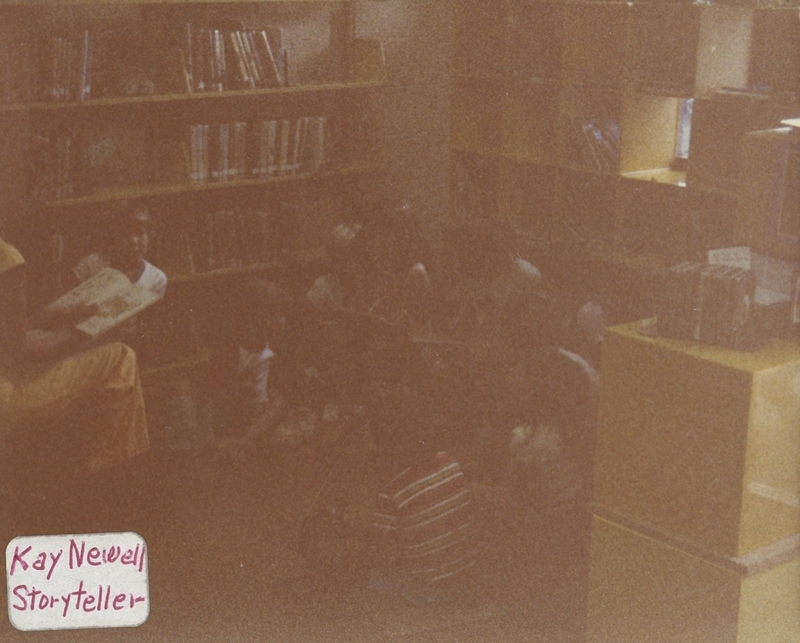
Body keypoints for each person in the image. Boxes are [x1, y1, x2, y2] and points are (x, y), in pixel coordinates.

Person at [0, 233, 150, 476]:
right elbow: (21, 353)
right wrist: (82, 334)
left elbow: (7, 333)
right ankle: (111, 475)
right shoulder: (6, 258)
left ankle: (97, 467)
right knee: (122, 357)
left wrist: (53, 320)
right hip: (9, 401)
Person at [370, 383, 479, 602]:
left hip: (427, 584)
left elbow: (384, 552)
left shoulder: (392, 491)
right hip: (469, 573)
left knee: (374, 578)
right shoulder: (450, 462)